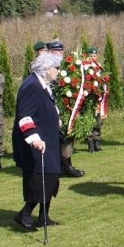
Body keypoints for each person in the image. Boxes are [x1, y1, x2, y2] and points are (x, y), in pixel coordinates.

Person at [12, 52, 63, 231]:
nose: (58, 71)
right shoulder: (32, 85)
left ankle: (43, 216)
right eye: (56, 68)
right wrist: (34, 138)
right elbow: (24, 115)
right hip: (36, 142)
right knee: (42, 178)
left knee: (53, 175)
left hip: (49, 138)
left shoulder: (43, 84)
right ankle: (24, 214)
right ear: (46, 69)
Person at [46, 39, 84, 177]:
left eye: (62, 50)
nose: (61, 52)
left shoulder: (65, 65)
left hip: (66, 106)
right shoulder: (44, 65)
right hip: (52, 105)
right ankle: (61, 166)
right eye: (57, 50)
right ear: (50, 51)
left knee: (67, 135)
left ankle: (66, 165)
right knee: (56, 137)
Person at [84, 46, 106, 152]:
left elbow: (103, 81)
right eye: (91, 56)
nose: (93, 57)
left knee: (98, 121)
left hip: (98, 98)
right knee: (90, 120)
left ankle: (97, 142)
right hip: (89, 98)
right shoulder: (85, 67)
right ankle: (90, 144)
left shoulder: (99, 67)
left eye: (94, 55)